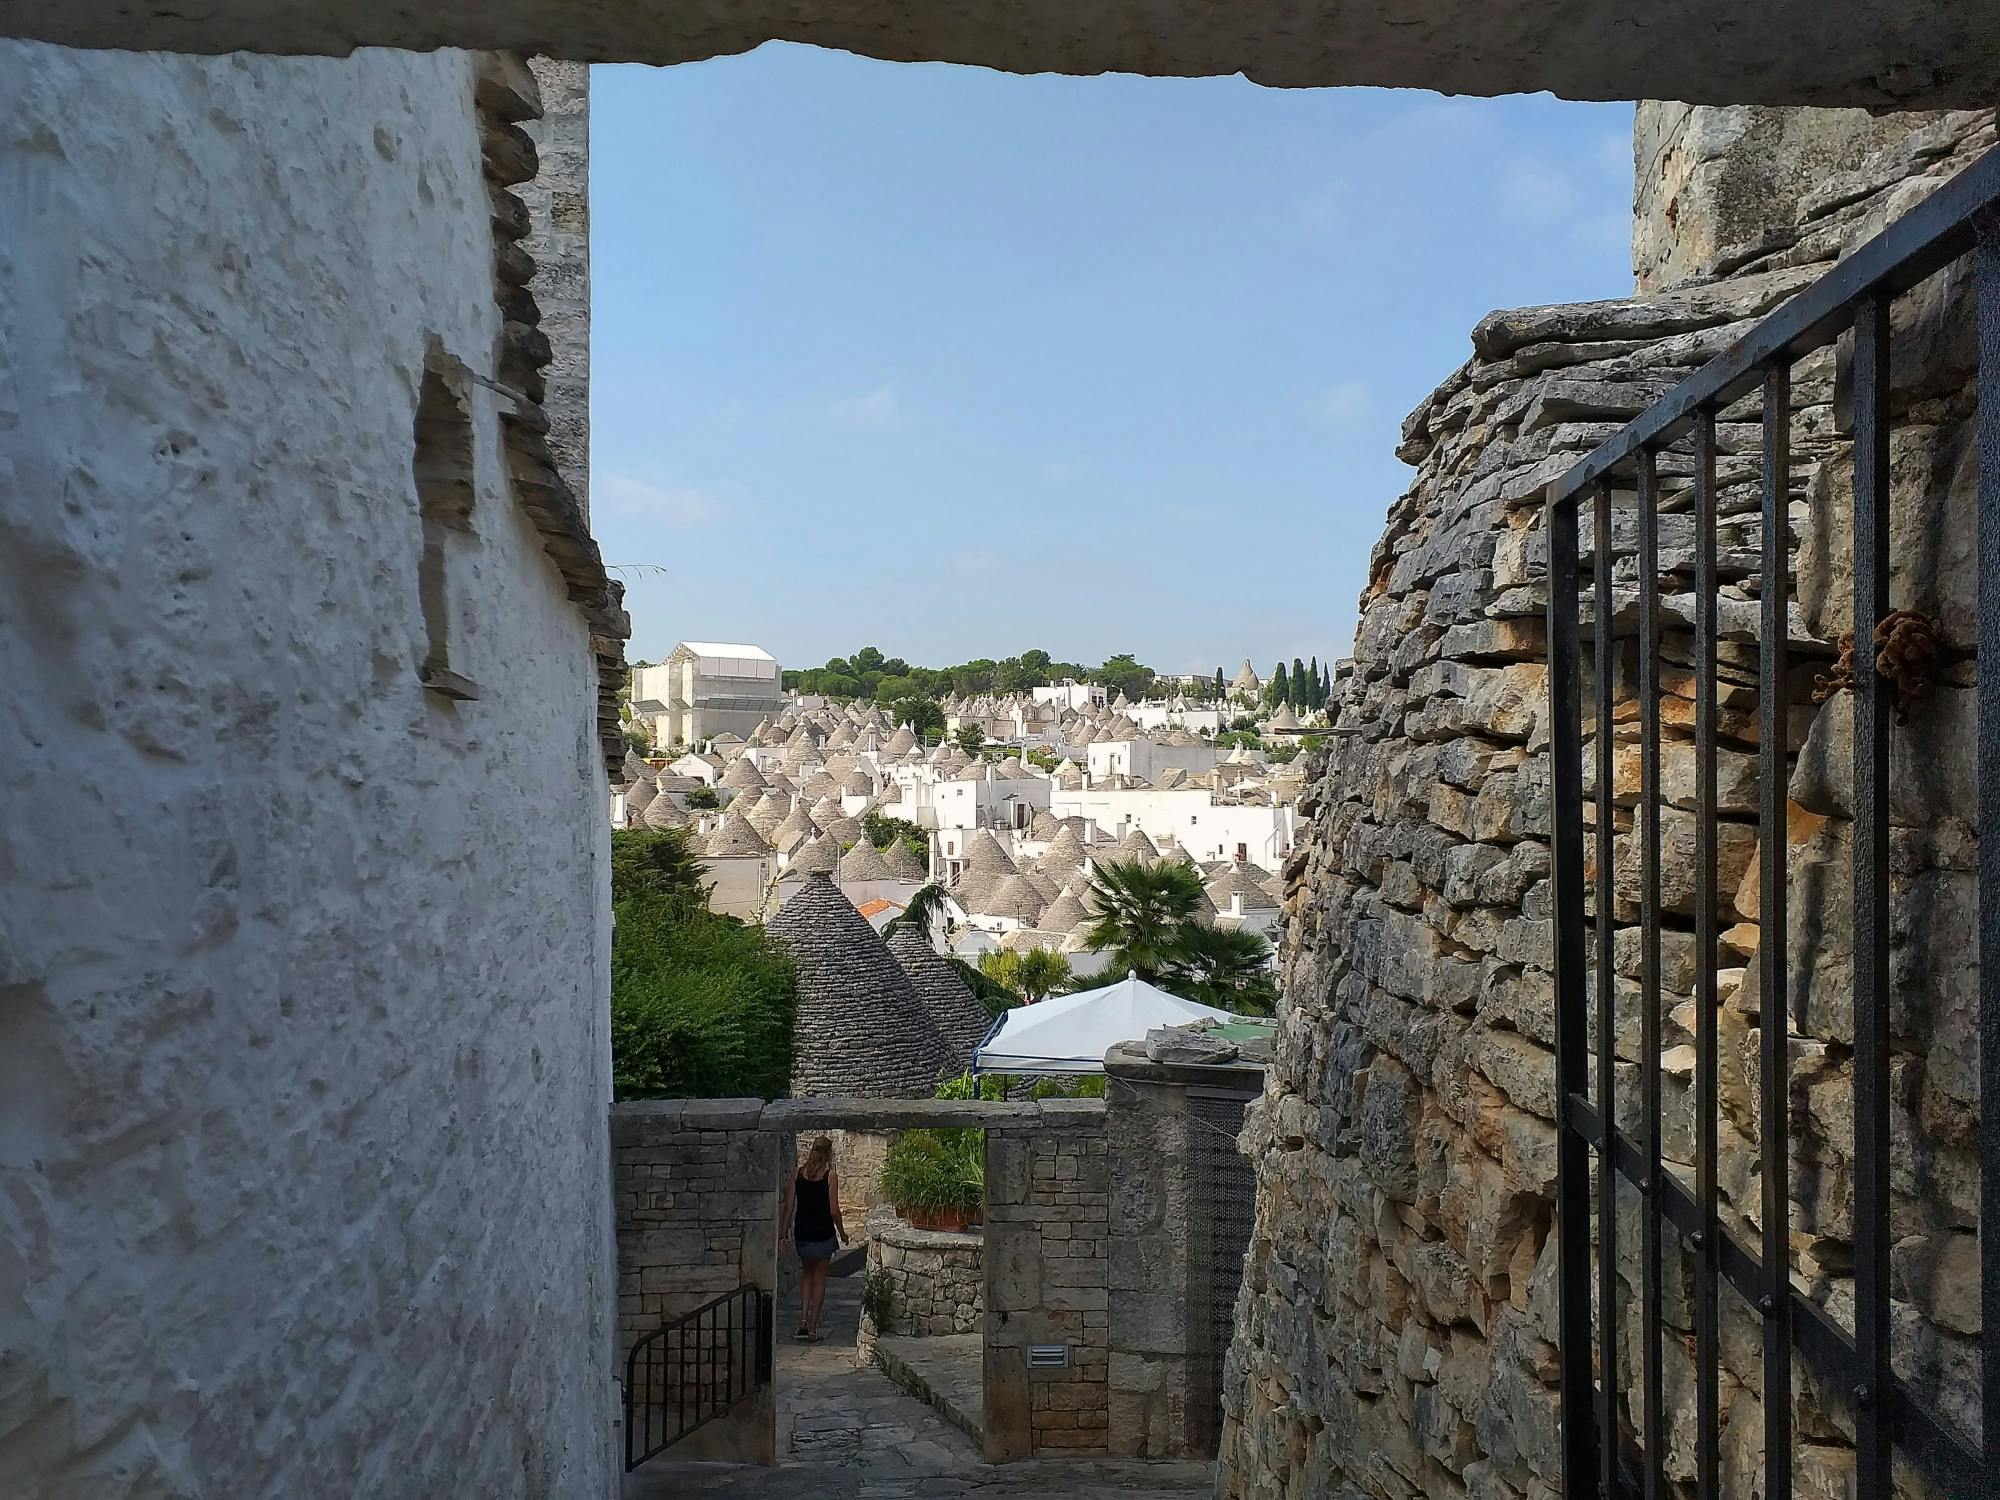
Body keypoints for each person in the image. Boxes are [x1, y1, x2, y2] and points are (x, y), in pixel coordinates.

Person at [781, 1136, 847, 1342]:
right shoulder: (830, 1177)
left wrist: (783, 1233)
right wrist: (842, 1233)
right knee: (820, 1279)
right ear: (828, 1154)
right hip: (823, 1234)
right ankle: (813, 1326)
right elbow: (834, 1210)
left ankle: (802, 1321)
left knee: (807, 1275)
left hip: (803, 1233)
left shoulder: (797, 1174)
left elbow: (789, 1206)